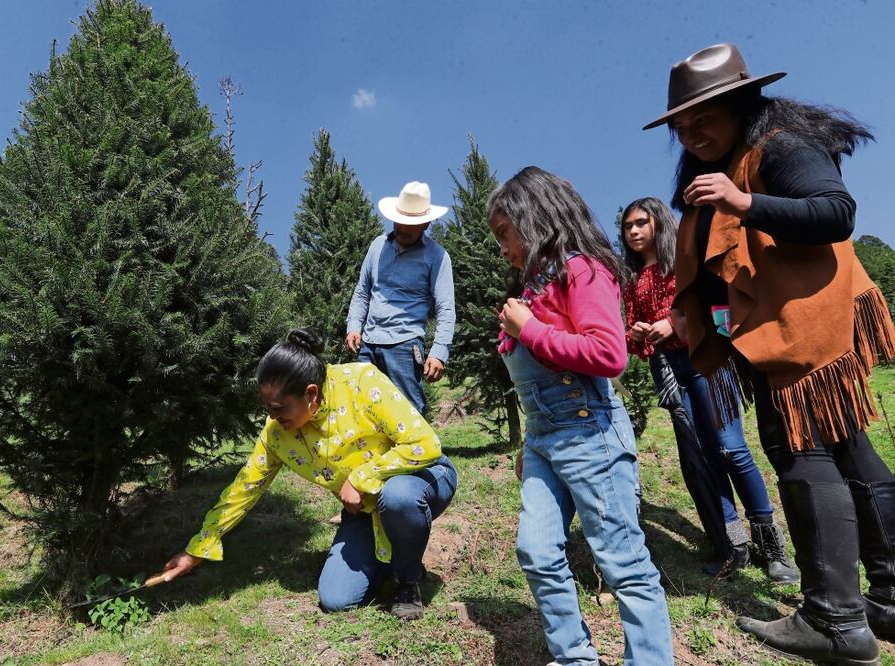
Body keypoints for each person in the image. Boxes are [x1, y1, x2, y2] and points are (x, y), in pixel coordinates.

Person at [645, 42, 895, 663]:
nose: (693, 130)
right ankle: (886, 602)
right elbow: (719, 266)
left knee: (801, 451)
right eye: (683, 122)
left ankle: (835, 620)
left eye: (706, 114)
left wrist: (745, 202)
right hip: (787, 328)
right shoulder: (725, 165)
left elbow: (835, 213)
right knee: (851, 450)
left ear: (742, 103)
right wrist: (686, 317)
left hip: (808, 328)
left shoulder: (779, 146)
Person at [489, 167, 673, 664]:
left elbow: (609, 354)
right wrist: (532, 446)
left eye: (506, 235)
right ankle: (574, 657)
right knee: (536, 550)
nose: (503, 249)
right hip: (546, 442)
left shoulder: (582, 270)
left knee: (623, 563)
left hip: (590, 434)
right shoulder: (536, 286)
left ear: (533, 220)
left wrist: (528, 330)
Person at [158, 328, 458, 621]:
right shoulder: (278, 434)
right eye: (267, 408)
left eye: (279, 408)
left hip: (422, 477)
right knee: (336, 599)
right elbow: (244, 488)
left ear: (310, 393)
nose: (273, 417)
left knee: (398, 497)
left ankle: (407, 581)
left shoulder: (360, 382)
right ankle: (394, 553)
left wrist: (360, 478)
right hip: (365, 510)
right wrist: (196, 549)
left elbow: (425, 444)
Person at [620, 196, 798, 583]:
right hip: (667, 368)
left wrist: (672, 322)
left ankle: (771, 545)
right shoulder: (632, 278)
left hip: (706, 358)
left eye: (640, 223)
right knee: (703, 455)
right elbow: (635, 332)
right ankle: (732, 545)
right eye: (627, 226)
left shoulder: (681, 263)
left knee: (730, 448)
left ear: (659, 224)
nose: (633, 231)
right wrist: (638, 333)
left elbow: (705, 301)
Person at [346, 181, 455, 415]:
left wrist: (438, 353)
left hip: (405, 345)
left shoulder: (437, 256)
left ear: (426, 223)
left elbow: (446, 309)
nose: (403, 228)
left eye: (411, 224)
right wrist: (354, 326)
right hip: (369, 343)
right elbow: (362, 291)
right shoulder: (377, 246)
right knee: (364, 412)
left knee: (408, 413)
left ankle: (423, 453)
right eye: (400, 221)